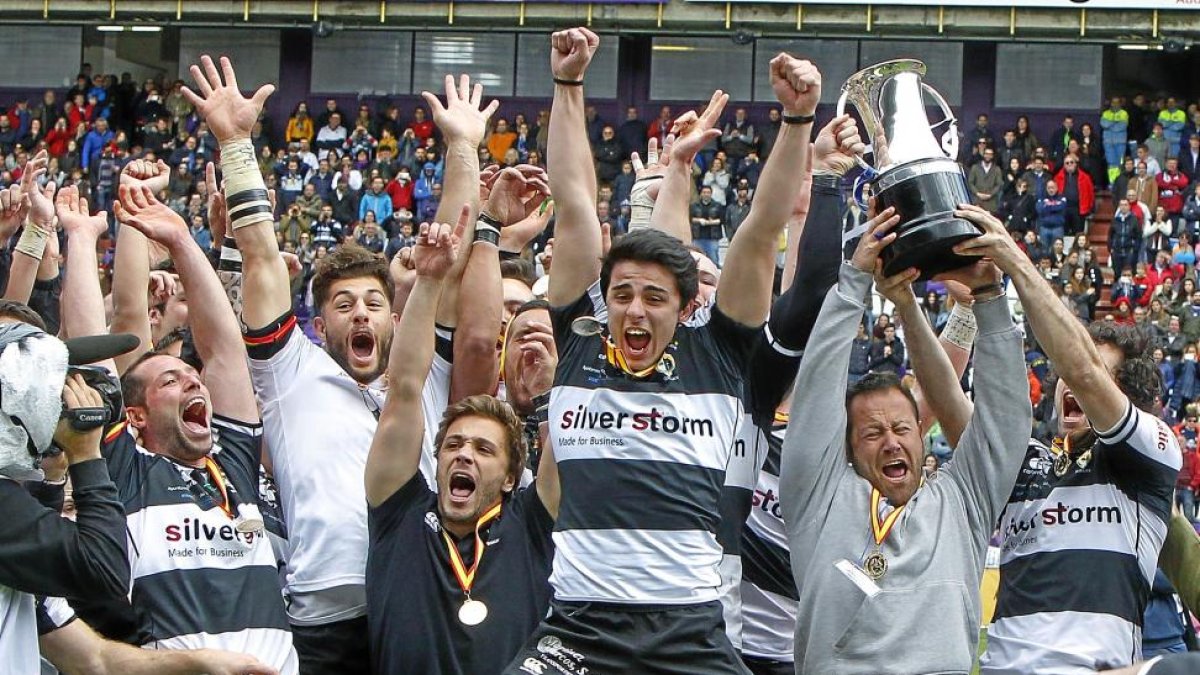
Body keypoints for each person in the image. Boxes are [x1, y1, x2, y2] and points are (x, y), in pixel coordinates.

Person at [503, 28, 815, 675]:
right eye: (621, 294)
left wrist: (796, 120)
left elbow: (759, 232)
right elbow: (575, 202)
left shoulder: (719, 356)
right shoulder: (579, 348)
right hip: (579, 631)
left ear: (685, 307)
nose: (635, 309)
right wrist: (567, 84)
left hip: (690, 636)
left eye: (653, 296)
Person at [779, 202, 1030, 674]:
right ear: (848, 451)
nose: (892, 442)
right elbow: (815, 391)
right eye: (872, 433)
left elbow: (1005, 420)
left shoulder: (962, 500)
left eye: (901, 428)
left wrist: (990, 296)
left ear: (922, 433)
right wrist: (854, 281)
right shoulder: (820, 496)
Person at [953, 205, 1184, 673]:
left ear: (1128, 398)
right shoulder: (1031, 461)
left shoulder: (1152, 453)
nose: (1067, 382)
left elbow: (1081, 368)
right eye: (1060, 375)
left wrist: (1014, 262)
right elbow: (948, 404)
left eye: (1096, 378)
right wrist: (967, 305)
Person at [365, 213, 560, 674]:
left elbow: (567, 442)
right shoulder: (398, 512)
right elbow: (406, 387)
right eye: (453, 446)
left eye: (484, 449)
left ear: (512, 476)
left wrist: (551, 390)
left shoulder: (532, 523)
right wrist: (429, 282)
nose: (464, 454)